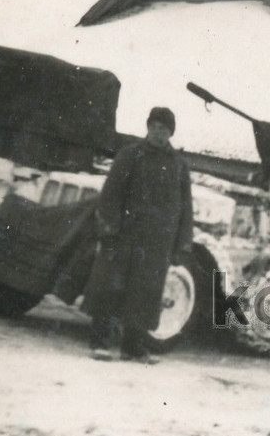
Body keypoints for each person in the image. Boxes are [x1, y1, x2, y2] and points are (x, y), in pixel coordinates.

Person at [83, 107, 193, 364]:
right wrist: (109, 230)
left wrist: (182, 243)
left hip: (157, 242)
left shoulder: (178, 165)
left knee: (145, 294)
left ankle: (133, 348)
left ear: (171, 132)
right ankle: (100, 343)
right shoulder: (130, 155)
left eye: (164, 129)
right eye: (155, 126)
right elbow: (110, 195)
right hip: (125, 237)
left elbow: (185, 207)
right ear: (147, 127)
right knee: (111, 288)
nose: (159, 132)